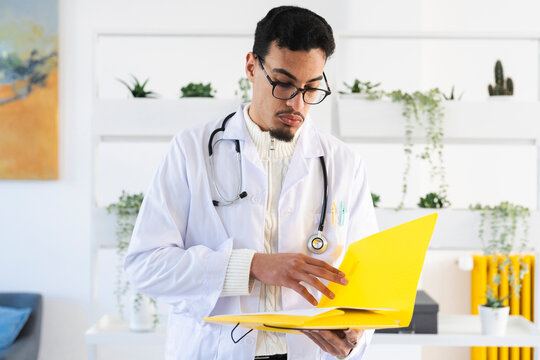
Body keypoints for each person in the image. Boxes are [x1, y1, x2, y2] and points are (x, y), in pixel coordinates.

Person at [124, 6, 378, 360]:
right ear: (251, 66)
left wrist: (356, 329)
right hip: (214, 350)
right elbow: (146, 268)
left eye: (311, 88)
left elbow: (367, 284)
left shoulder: (344, 164)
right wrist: (252, 266)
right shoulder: (191, 150)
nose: (296, 102)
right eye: (283, 83)